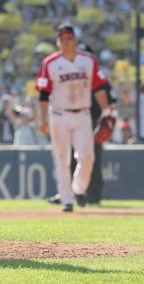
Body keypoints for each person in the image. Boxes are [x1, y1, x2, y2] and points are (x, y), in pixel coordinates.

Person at [36, 24, 110, 212]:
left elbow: (99, 87)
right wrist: (42, 118)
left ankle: (78, 189)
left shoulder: (88, 61)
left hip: (83, 113)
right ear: (58, 42)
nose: (66, 41)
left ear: (75, 40)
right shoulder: (49, 63)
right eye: (62, 38)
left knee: (87, 157)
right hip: (59, 114)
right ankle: (67, 199)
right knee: (62, 158)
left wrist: (106, 111)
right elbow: (44, 93)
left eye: (69, 37)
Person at [47, 44, 116, 206]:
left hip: (92, 121)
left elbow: (112, 103)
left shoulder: (98, 77)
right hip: (68, 118)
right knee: (67, 159)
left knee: (91, 160)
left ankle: (93, 195)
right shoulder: (70, 73)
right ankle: (67, 194)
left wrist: (108, 120)